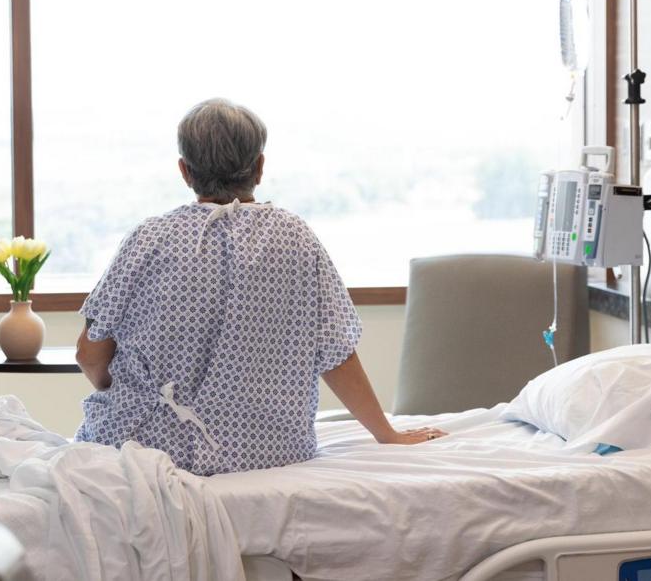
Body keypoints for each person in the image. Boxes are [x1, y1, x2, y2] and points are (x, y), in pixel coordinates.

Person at [73, 98, 444, 475]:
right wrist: (386, 434)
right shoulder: (296, 238)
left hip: (147, 449)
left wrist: (116, 388)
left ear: (185, 171)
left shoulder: (149, 239)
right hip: (271, 454)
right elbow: (336, 354)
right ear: (260, 167)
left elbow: (90, 353)